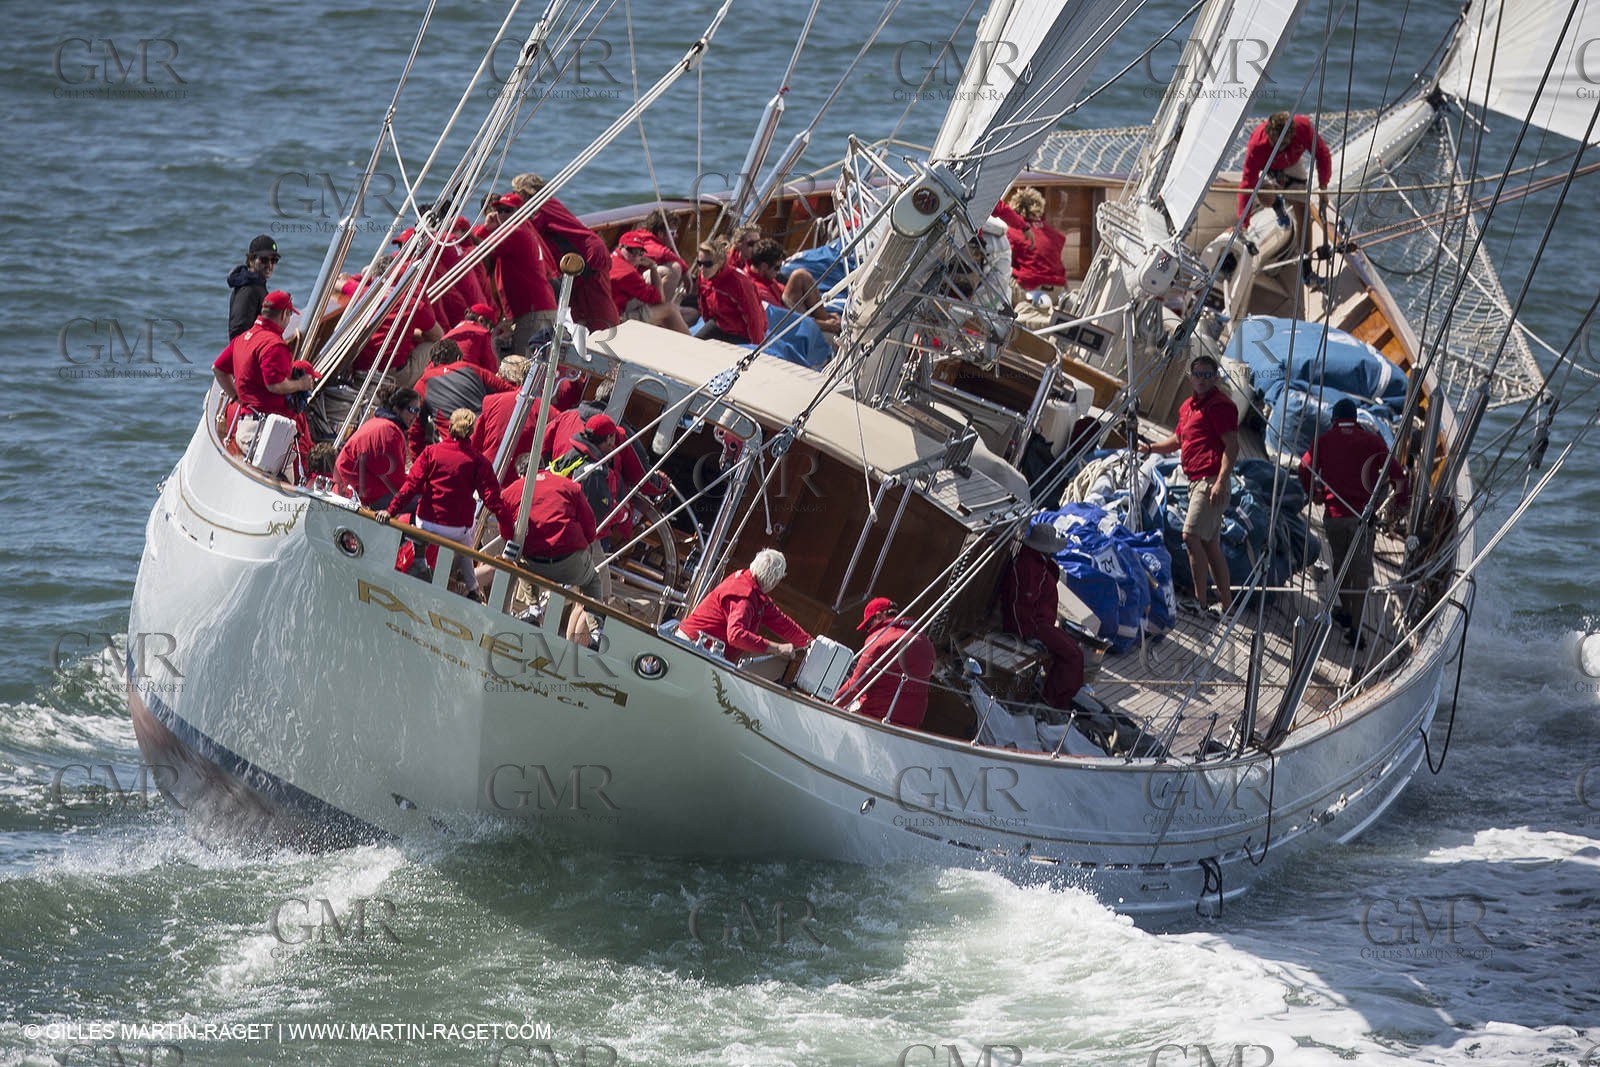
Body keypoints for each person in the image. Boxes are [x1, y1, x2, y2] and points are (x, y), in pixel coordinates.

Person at [1299, 398, 1409, 646]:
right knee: (1360, 573)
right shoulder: (1371, 441)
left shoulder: (1324, 441)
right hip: (1362, 519)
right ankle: (1356, 629)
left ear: (1335, 418)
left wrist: (1314, 494)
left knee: (1340, 562)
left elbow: (1304, 468)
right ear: (1355, 419)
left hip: (1334, 518)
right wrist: (1402, 501)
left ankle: (1345, 610)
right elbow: (1398, 475)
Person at [380, 408, 517, 602]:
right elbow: (493, 500)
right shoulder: (478, 461)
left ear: (451, 427)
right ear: (471, 432)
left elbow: (410, 487)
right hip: (456, 530)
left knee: (418, 517)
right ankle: (472, 589)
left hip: (426, 523)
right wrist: (508, 533)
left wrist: (390, 511)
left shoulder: (431, 452)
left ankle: (420, 560)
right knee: (466, 543)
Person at [1140, 355, 1238, 614]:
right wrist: (1149, 447)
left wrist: (1220, 482)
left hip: (1210, 482)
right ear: (1190, 377)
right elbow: (1177, 441)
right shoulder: (1188, 407)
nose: (1202, 380)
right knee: (1209, 544)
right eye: (1198, 375)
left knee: (1190, 536)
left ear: (1216, 378)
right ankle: (1226, 605)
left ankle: (1200, 602)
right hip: (1196, 481)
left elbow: (1232, 446)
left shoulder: (1220, 406)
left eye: (1208, 375)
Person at [486, 456, 605, 645]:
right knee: (592, 581)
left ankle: (533, 608)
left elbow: (507, 533)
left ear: (520, 474)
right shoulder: (569, 486)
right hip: (570, 562)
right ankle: (596, 630)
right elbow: (590, 525)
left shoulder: (510, 493)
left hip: (534, 563)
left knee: (517, 559)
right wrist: (586, 542)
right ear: (544, 467)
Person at [507, 175, 619, 331]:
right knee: (582, 308)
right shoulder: (548, 205)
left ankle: (606, 340)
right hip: (583, 255)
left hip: (588, 257)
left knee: (596, 309)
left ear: (524, 193)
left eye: (515, 192)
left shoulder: (540, 208)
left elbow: (530, 228)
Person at [999, 523, 1086, 711]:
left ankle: (1052, 695)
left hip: (1039, 624)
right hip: (1035, 626)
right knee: (1073, 656)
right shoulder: (1031, 568)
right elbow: (1020, 603)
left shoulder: (1034, 563)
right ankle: (1053, 701)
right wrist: (1027, 635)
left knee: (1073, 652)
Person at [678, 548, 811, 665]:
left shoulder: (747, 581)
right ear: (774, 581)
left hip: (696, 649)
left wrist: (811, 644)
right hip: (693, 649)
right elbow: (736, 635)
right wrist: (777, 648)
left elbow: (781, 622)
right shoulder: (745, 596)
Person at [231, 290, 314, 456]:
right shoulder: (274, 344)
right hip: (263, 431)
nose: (290, 319)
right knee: (287, 474)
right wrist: (302, 384)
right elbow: (274, 385)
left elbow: (218, 369)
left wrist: (237, 398)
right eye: (290, 314)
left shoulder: (243, 337)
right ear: (283, 314)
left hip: (245, 425)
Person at [833, 597, 936, 730]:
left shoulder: (880, 639)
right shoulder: (925, 641)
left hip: (877, 718)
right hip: (910, 724)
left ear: (879, 615)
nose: (869, 631)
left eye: (868, 625)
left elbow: (856, 684)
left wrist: (833, 703)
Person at [408, 338, 517, 453]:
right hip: (489, 437)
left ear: (432, 362)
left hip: (456, 448)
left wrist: (418, 460)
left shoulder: (422, 384)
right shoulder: (472, 369)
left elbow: (414, 429)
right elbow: (507, 389)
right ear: (459, 358)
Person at [335, 385, 419, 509]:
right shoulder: (389, 432)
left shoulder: (378, 424)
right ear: (397, 408)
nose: (416, 416)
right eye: (412, 410)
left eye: (418, 412)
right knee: (425, 503)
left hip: (352, 488)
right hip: (358, 495)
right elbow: (396, 483)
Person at [1238, 111, 1332, 221]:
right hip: (1268, 165)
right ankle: (1277, 204)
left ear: (1293, 135)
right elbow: (1248, 182)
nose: (1279, 148)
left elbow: (1322, 155)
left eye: (1283, 144)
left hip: (1292, 161)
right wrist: (1244, 222)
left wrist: (1323, 187)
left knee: (1302, 208)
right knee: (1266, 196)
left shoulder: (1303, 128)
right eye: (1276, 143)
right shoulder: (1257, 144)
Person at [609, 235, 692, 333]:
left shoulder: (611, 258)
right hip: (617, 319)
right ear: (620, 247)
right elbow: (659, 299)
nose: (636, 256)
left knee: (665, 272)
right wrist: (652, 266)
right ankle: (694, 346)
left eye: (640, 252)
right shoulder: (627, 273)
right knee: (670, 309)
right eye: (632, 250)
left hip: (611, 305)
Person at [695, 238, 767, 345]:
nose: (702, 268)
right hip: (719, 325)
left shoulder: (739, 283)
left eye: (708, 264)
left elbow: (753, 318)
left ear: (720, 263)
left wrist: (756, 347)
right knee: (694, 344)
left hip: (741, 333)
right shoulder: (703, 277)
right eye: (699, 263)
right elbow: (703, 305)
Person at [228, 235, 280, 339]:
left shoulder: (257, 285)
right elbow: (238, 331)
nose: (270, 265)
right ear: (251, 260)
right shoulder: (248, 290)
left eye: (274, 260)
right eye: (264, 260)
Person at [442, 302, 502, 374]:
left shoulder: (451, 332)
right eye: (491, 329)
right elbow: (491, 371)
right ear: (481, 320)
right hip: (464, 379)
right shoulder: (482, 333)